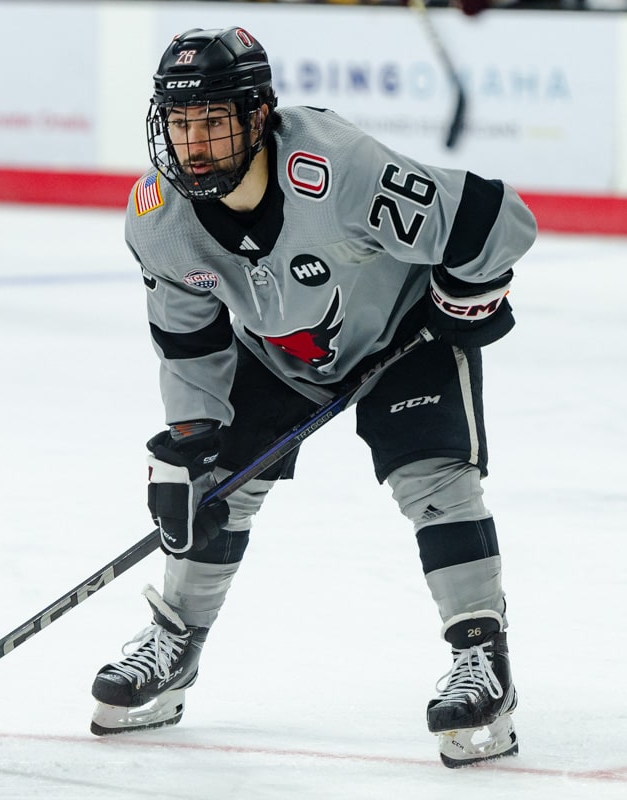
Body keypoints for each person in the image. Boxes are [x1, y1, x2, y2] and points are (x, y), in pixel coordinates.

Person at [89, 27, 536, 768]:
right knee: (216, 488)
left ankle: (483, 659)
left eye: (213, 121)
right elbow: (189, 343)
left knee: (433, 479)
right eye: (179, 122)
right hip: (278, 352)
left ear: (259, 116)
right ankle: (175, 646)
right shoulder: (158, 218)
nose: (192, 144)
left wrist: (462, 301)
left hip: (402, 339)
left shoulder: (337, 168)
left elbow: (495, 220)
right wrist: (188, 446)